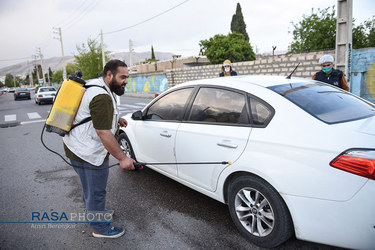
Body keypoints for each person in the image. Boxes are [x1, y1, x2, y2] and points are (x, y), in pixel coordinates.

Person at [63, 59, 135, 238]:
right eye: (123, 77)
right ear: (109, 75)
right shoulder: (102, 96)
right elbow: (103, 132)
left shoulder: (97, 85)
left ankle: (96, 212)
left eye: (127, 77)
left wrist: (115, 119)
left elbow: (89, 112)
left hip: (76, 145)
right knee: (95, 191)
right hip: (86, 151)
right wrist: (123, 158)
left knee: (90, 187)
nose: (126, 81)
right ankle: (100, 228)